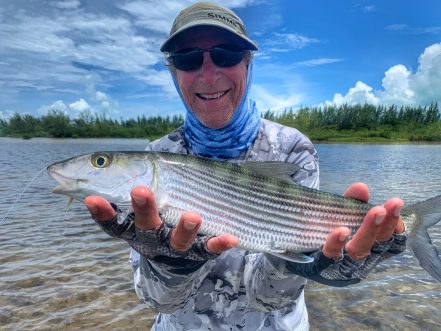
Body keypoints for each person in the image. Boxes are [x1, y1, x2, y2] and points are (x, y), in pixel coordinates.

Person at [84, 2, 406, 330]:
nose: (208, 75)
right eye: (187, 58)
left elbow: (267, 298)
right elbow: (157, 301)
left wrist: (294, 266)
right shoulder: (157, 153)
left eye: (226, 55)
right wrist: (167, 265)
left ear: (248, 63)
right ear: (174, 72)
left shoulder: (293, 149)